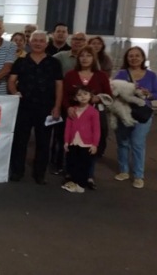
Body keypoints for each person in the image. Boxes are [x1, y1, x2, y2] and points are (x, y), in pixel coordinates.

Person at [7, 31, 63, 184]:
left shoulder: (54, 63)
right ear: (29, 43)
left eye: (41, 41)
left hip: (46, 108)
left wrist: (57, 106)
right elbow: (12, 81)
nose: (38, 43)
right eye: (35, 40)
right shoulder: (20, 61)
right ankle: (17, 171)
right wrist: (14, 92)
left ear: (46, 43)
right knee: (20, 141)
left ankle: (39, 174)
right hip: (23, 107)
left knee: (43, 142)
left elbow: (59, 85)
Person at [112, 47, 157, 189]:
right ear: (127, 58)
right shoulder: (121, 74)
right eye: (131, 56)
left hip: (143, 113)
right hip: (124, 112)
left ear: (143, 58)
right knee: (123, 142)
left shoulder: (151, 75)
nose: (134, 58)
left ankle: (138, 175)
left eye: (137, 55)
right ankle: (124, 170)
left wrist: (148, 94)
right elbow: (113, 91)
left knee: (138, 144)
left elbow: (156, 93)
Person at [50, 32, 88, 174]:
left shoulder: (90, 59)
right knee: (61, 135)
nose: (78, 42)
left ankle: (74, 166)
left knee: (79, 137)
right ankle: (58, 163)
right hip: (65, 100)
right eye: (75, 39)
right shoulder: (61, 57)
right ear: (70, 41)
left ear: (86, 42)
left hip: (84, 105)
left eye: (81, 39)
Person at [62, 86, 101, 193]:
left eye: (85, 94)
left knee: (84, 164)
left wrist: (95, 144)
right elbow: (68, 127)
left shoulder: (93, 112)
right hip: (73, 142)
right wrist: (66, 141)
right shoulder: (72, 110)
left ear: (90, 96)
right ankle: (73, 182)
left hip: (87, 143)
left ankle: (81, 184)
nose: (83, 97)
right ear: (75, 98)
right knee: (73, 162)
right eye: (79, 95)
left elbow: (96, 129)